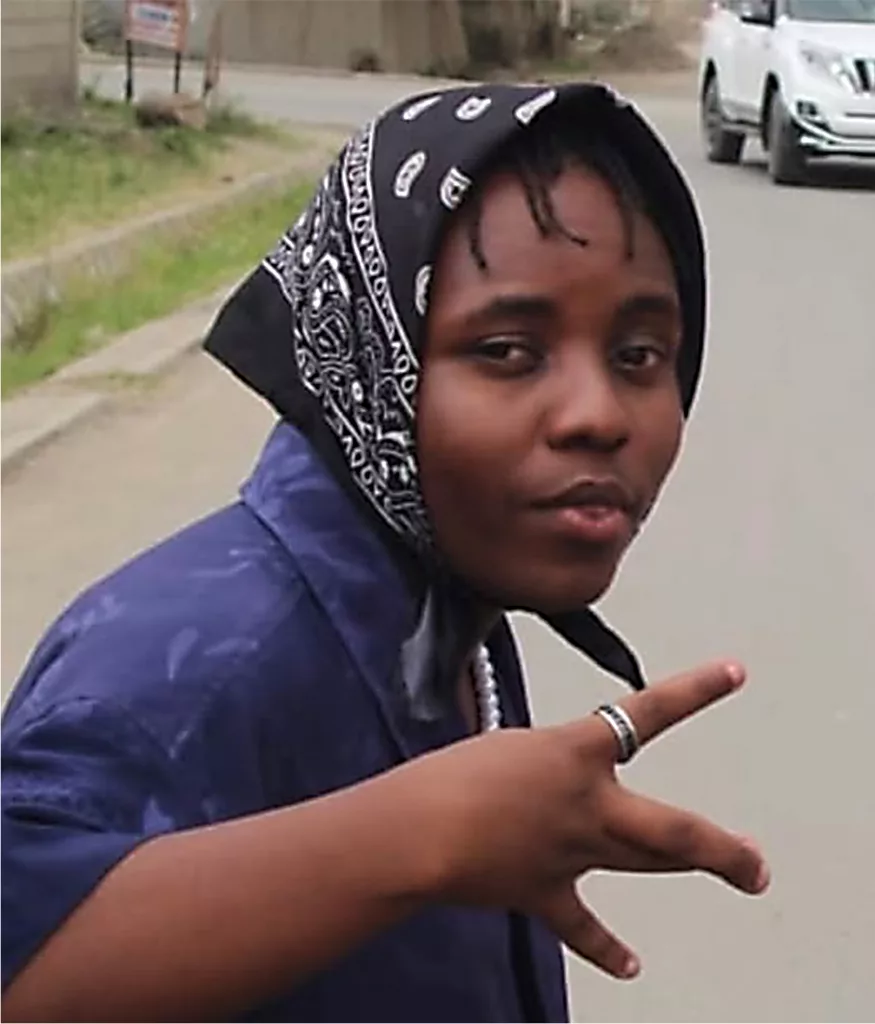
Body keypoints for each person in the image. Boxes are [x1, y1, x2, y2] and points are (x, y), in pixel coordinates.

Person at [0, 82, 770, 1022]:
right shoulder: (186, 675)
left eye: (639, 357)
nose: (599, 417)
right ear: (373, 354)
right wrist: (421, 838)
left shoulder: (448, 608)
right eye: (508, 352)